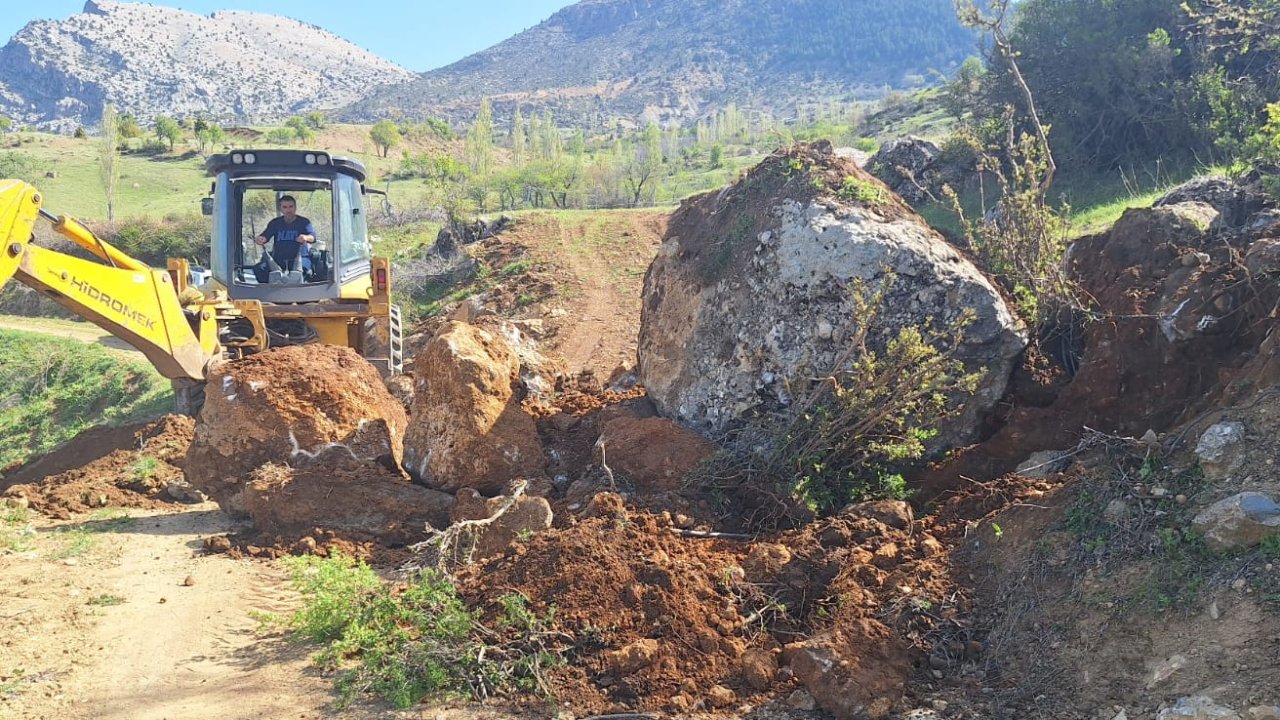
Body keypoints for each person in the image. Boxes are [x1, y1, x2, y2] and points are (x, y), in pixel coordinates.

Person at [253, 195, 316, 282]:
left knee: (305, 270)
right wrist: (260, 239)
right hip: (278, 260)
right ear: (281, 209)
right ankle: (269, 292)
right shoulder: (275, 223)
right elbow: (264, 236)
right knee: (259, 269)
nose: (288, 210)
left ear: (295, 207)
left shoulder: (304, 222)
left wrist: (305, 237)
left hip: (300, 259)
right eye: (285, 207)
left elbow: (312, 237)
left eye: (291, 206)